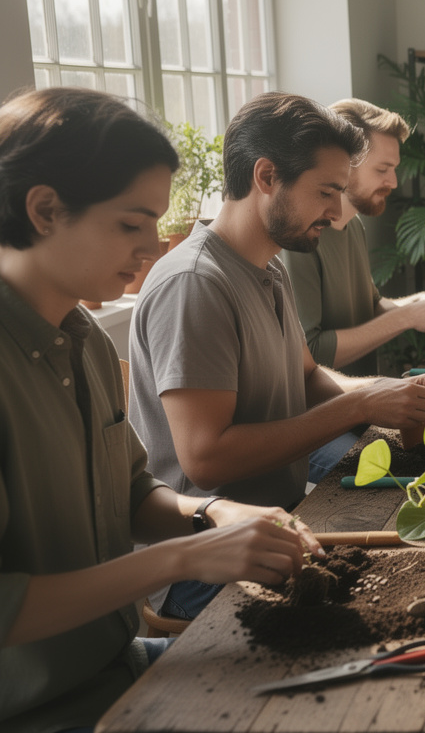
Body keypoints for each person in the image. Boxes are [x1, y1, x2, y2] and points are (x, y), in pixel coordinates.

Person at [0, 87, 321, 733]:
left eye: (156, 222)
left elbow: (131, 493)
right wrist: (186, 558)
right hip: (43, 710)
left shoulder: (86, 341)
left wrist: (212, 513)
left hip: (117, 663)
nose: (153, 245)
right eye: (131, 223)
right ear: (44, 210)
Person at [129, 92, 425, 620]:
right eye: (326, 192)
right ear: (266, 176)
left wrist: (382, 394)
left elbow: (306, 375)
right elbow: (206, 459)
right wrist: (358, 406)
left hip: (279, 526)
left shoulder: (270, 265)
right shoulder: (195, 284)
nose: (336, 210)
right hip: (204, 567)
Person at [279, 98, 425, 378]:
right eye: (382, 169)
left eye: (394, 169)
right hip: (331, 405)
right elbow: (311, 351)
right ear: (344, 164)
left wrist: (422, 302)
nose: (394, 182)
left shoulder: (354, 226)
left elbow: (373, 306)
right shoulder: (301, 237)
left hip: (365, 401)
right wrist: (408, 317)